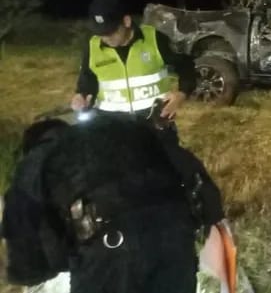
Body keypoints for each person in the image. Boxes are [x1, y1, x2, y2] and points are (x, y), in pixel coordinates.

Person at [1, 114, 226, 293]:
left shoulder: (39, 156)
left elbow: (25, 244)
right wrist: (211, 216)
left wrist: (50, 266)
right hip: (177, 235)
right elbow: (188, 165)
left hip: (112, 249)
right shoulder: (124, 131)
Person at [71, 0, 197, 133]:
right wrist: (81, 95)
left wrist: (182, 94)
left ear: (126, 21)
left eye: (111, 31)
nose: (105, 37)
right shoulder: (92, 46)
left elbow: (186, 67)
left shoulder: (155, 39)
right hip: (110, 127)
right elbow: (87, 79)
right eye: (100, 32)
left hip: (154, 124)